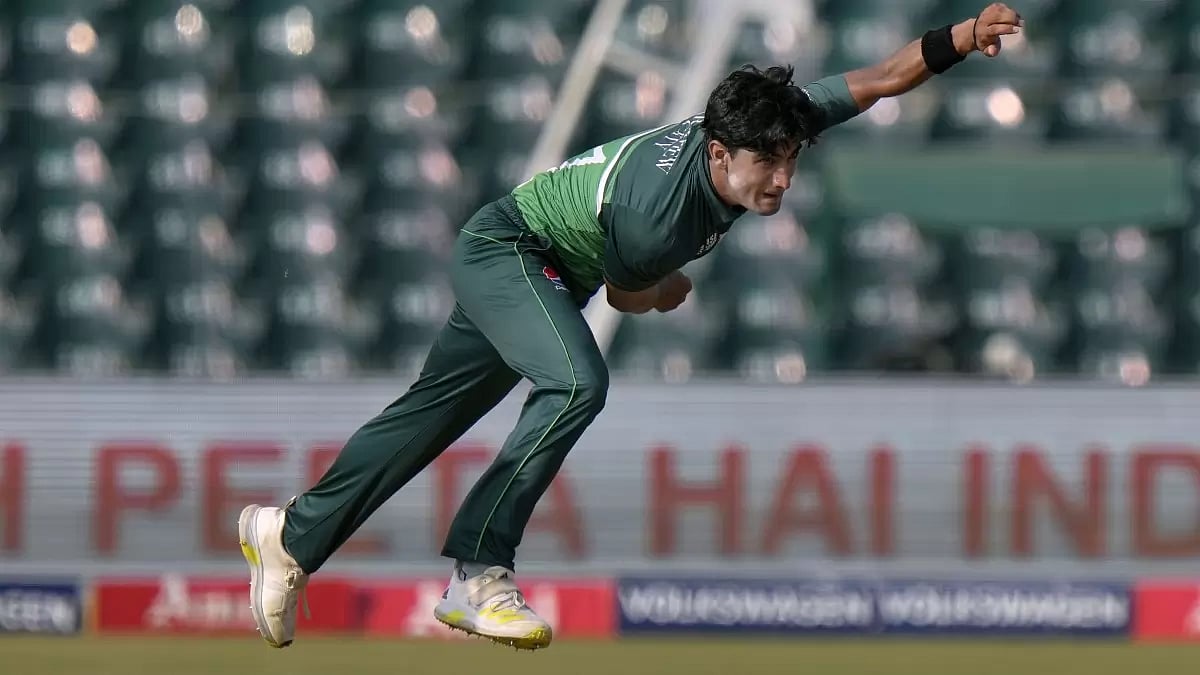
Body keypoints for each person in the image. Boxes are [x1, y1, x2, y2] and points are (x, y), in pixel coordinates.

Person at [237, 2, 1024, 651]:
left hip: (538, 267)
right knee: (579, 381)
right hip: (510, 250)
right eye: (767, 164)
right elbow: (626, 294)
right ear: (719, 153)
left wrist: (961, 35)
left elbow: (883, 79)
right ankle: (479, 570)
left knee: (425, 420)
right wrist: (670, 286)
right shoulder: (659, 218)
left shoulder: (761, 126)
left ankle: (291, 535)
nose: (782, 178)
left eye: (791, 158)